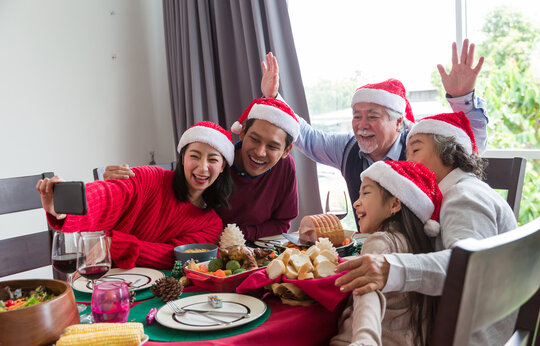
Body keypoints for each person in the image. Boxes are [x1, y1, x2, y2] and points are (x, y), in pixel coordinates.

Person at [336, 112, 518, 346]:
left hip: (466, 345)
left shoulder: (463, 196)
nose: (408, 160)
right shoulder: (463, 194)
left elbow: (466, 266)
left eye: (415, 150)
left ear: (448, 153)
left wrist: (391, 268)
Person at [260, 40, 488, 227]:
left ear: (398, 122)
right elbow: (307, 137)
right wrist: (274, 99)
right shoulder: (347, 149)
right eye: (357, 116)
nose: (361, 125)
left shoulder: (419, 146)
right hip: (368, 251)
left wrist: (462, 99)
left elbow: (470, 145)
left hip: (418, 253)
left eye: (372, 116)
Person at [36, 121, 235, 269]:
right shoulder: (150, 178)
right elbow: (109, 195)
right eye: (194, 156)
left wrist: (116, 244)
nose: (202, 167)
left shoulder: (211, 224)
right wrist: (63, 209)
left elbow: (174, 257)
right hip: (107, 273)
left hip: (156, 290)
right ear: (182, 158)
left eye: (213, 159)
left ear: (223, 166)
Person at [102, 98, 300, 241]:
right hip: (199, 250)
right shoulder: (216, 162)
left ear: (286, 151)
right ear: (243, 133)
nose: (259, 152)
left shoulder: (285, 168)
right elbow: (173, 191)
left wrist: (236, 235)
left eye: (273, 147)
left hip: (250, 249)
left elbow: (282, 223)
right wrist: (124, 182)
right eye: (254, 140)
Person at [324, 160, 443, 346]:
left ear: (395, 204)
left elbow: (367, 292)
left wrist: (365, 342)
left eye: (366, 193)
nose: (356, 202)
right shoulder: (419, 246)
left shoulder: (380, 240)